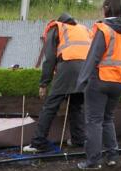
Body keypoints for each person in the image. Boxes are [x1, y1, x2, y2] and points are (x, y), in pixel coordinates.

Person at [76, 0, 121, 170]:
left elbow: (93, 57)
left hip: (100, 80)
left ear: (106, 9)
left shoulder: (103, 29)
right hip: (119, 82)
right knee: (108, 119)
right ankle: (112, 156)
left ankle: (93, 161)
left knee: (94, 121)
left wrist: (81, 82)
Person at [22, 13, 89, 154]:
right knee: (77, 106)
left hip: (68, 68)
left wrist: (43, 84)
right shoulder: (82, 29)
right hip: (85, 70)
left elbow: (50, 58)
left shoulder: (57, 27)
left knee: (50, 106)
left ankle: (38, 143)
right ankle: (78, 139)